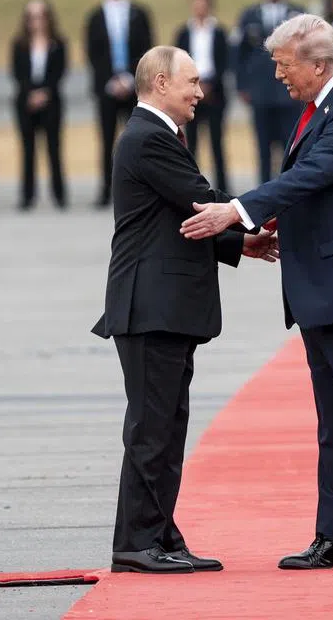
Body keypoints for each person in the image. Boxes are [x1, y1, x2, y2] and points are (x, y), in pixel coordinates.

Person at [181, 15, 333, 570]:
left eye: (284, 65)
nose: (278, 76)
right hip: (324, 283)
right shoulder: (322, 105)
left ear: (318, 64)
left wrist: (236, 211)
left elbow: (312, 176)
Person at [90, 46, 279, 574]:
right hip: (150, 307)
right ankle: (136, 543)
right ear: (159, 83)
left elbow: (178, 221)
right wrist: (262, 214)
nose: (200, 91)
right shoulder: (149, 137)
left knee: (167, 427)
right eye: (191, 81)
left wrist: (239, 244)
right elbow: (199, 199)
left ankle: (159, 533)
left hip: (163, 308)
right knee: (152, 429)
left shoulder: (157, 135)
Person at [85, 0, 155, 208]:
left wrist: (129, 78)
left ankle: (138, 191)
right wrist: (111, 80)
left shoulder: (139, 14)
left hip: (134, 87)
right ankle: (106, 189)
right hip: (107, 88)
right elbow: (93, 54)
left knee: (137, 140)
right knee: (106, 140)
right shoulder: (95, 17)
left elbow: (147, 49)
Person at [235, 0, 305, 185]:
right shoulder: (249, 15)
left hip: (289, 94)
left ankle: (289, 191)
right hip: (261, 93)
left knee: (290, 148)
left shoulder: (297, 14)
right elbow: (239, 54)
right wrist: (242, 86)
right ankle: (264, 193)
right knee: (263, 148)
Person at [10, 0, 67, 211]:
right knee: (28, 149)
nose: (37, 21)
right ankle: (27, 195)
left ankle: (59, 195)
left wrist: (45, 92)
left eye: (41, 16)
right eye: (32, 17)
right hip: (26, 101)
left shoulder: (58, 43)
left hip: (51, 100)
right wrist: (30, 94)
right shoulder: (19, 44)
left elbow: (60, 71)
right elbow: (17, 73)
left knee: (54, 148)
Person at [173, 0, 230, 192]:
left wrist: (209, 84)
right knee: (192, 143)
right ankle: (193, 186)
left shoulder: (220, 32)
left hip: (214, 92)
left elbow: (225, 62)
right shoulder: (183, 32)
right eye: (196, 2)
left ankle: (223, 187)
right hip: (190, 93)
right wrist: (193, 85)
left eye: (203, 2)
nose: (199, 7)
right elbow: (177, 62)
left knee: (217, 142)